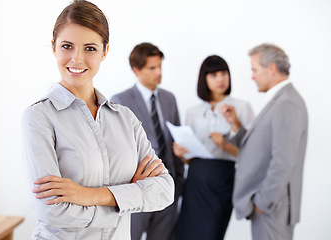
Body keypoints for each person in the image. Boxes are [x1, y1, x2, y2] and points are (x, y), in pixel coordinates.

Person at [21, 1, 174, 239]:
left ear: (105, 51)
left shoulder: (125, 118)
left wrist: (90, 195)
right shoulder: (39, 116)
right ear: (53, 47)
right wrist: (129, 198)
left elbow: (165, 190)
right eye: (67, 46)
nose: (77, 59)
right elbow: (51, 211)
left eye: (90, 48)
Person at [220, 43, 308, 240]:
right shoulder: (280, 100)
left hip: (273, 209)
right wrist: (235, 124)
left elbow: (283, 161)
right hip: (271, 208)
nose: (252, 76)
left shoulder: (287, 103)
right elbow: (259, 148)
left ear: (272, 69)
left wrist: (262, 203)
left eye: (254, 70)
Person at [174, 55, 255, 240]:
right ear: (204, 79)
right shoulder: (193, 112)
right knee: (186, 233)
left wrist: (225, 145)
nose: (220, 79)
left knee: (212, 233)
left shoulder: (242, 108)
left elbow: (251, 154)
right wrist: (181, 155)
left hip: (222, 179)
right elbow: (190, 158)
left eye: (223, 73)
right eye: (213, 75)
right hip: (196, 180)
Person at [111, 42, 184, 240]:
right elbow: (116, 150)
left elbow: (174, 139)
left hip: (167, 188)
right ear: (136, 70)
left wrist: (178, 182)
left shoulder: (169, 99)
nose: (159, 72)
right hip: (137, 188)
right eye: (152, 68)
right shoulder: (120, 101)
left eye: (160, 66)